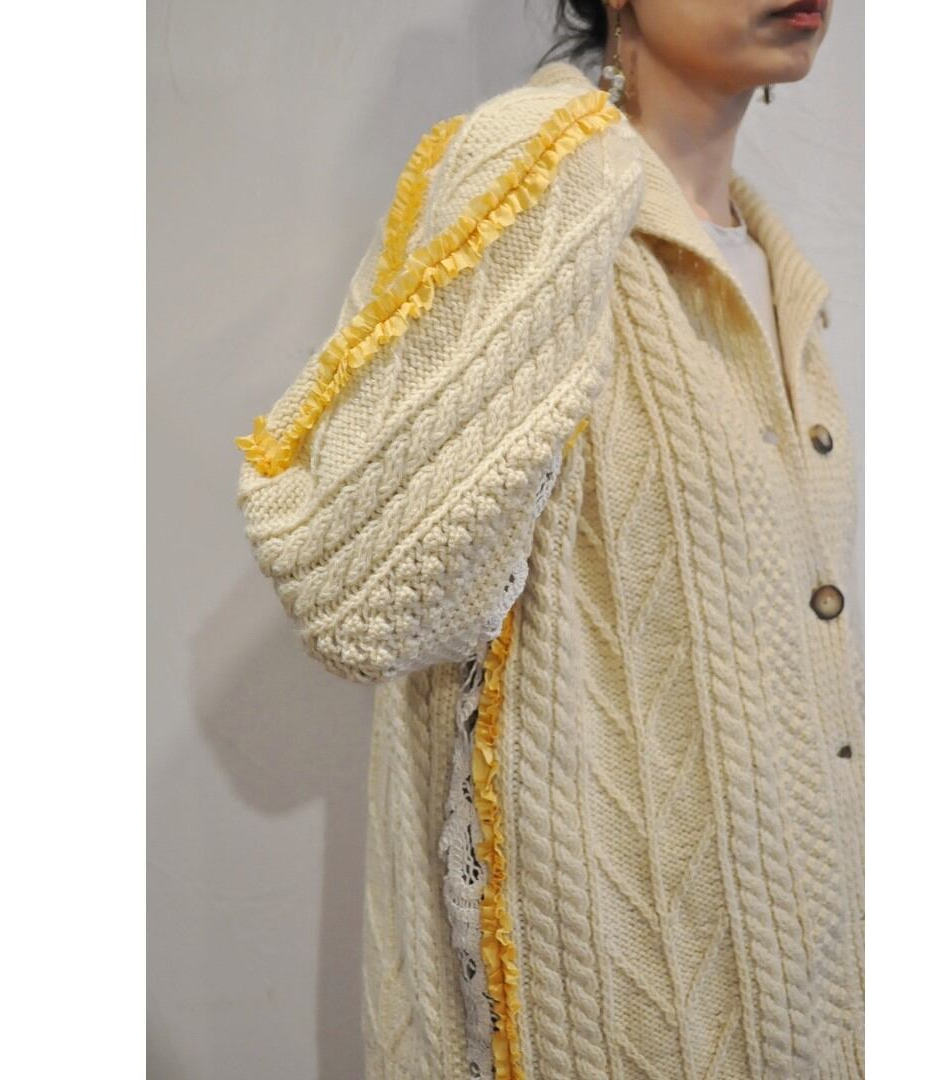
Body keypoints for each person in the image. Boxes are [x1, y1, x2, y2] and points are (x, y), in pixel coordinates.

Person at [233, 1, 861, 1076]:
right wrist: (569, 165)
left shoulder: (768, 264)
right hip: (608, 1011)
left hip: (805, 989)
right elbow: (355, 595)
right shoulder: (539, 171)